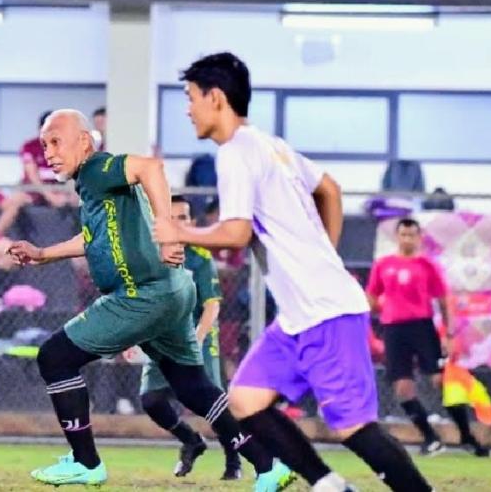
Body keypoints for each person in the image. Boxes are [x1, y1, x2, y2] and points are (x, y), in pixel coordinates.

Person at [154, 52, 434, 492]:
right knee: (246, 399)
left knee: (355, 429)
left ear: (216, 98)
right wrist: (325, 252)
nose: (187, 109)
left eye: (190, 97)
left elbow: (235, 232)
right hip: (299, 316)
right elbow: (330, 189)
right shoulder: (272, 145)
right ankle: (328, 486)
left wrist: (178, 231)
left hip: (326, 311)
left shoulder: (235, 153)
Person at [7, 109, 294, 491]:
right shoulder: (91, 185)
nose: (49, 152)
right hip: (173, 292)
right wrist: (43, 254)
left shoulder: (96, 168)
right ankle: (267, 465)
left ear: (85, 142)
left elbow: (150, 166)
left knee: (54, 358)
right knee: (193, 387)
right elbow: (93, 239)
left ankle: (85, 462)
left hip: (141, 296)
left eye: (56, 141)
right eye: (44, 145)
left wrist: (169, 231)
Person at [138, 195, 242, 480]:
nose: (177, 223)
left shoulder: (200, 256)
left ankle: (234, 461)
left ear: (192, 223)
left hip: (198, 339)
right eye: (171, 217)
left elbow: (212, 305)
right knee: (151, 400)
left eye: (183, 217)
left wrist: (196, 340)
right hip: (163, 340)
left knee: (212, 405)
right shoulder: (150, 255)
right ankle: (191, 441)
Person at [367, 217, 489, 457]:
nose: (407, 239)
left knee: (440, 381)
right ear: (397, 237)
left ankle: (466, 435)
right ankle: (431, 438)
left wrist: (449, 333)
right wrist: (387, 310)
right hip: (394, 330)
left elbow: (444, 301)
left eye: (412, 235)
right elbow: (371, 297)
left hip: (422, 327)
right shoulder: (383, 265)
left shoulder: (427, 265)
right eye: (403, 235)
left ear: (419, 237)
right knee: (402, 387)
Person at [20, 110, 67, 206]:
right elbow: (32, 175)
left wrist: (65, 193)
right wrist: (49, 195)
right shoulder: (29, 146)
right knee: (15, 201)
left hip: (59, 188)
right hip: (34, 190)